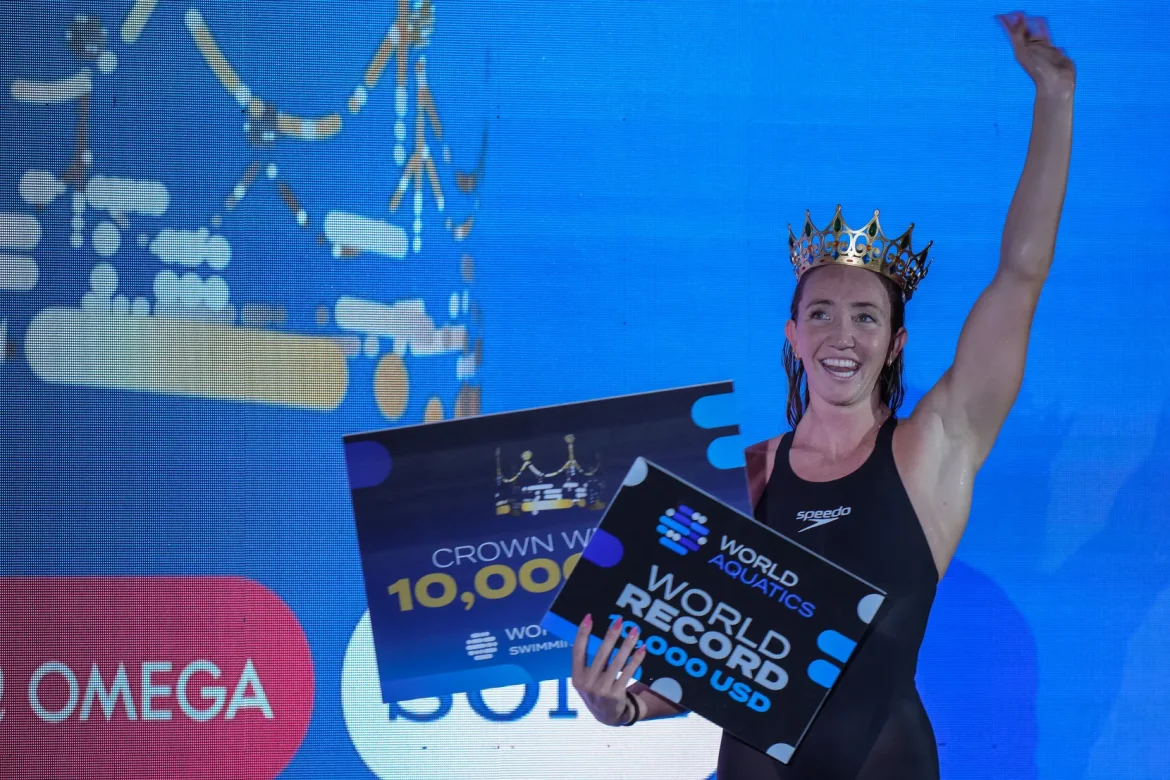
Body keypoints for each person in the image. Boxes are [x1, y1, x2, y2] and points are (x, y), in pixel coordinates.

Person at [569, 10, 1075, 779]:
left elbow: (1020, 276)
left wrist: (1054, 99)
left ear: (896, 341)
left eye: (866, 316)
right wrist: (626, 705)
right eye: (821, 315)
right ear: (792, 335)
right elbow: (715, 661)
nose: (843, 335)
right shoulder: (744, 474)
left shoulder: (934, 448)